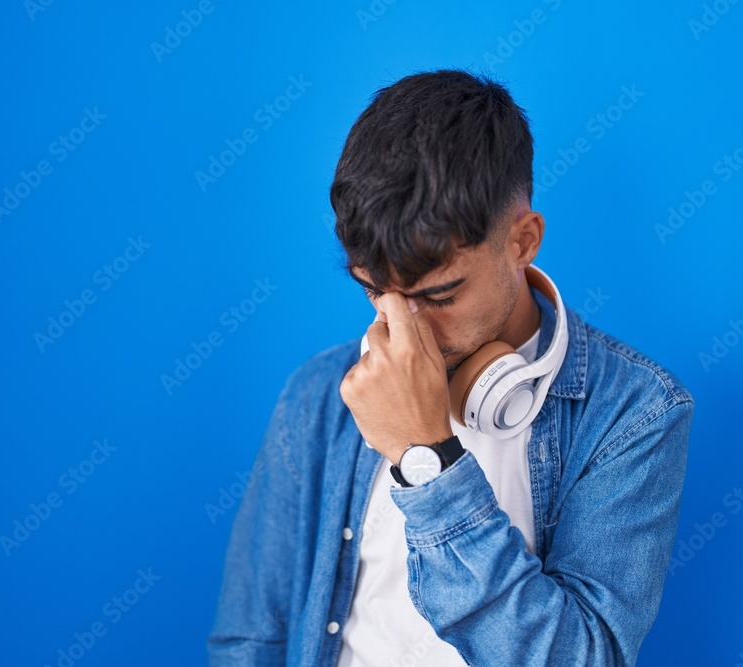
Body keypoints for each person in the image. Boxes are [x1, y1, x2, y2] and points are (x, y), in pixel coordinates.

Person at [206, 68, 694, 666]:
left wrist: (428, 461)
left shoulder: (635, 413)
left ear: (521, 241)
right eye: (374, 292)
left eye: (438, 297)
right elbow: (250, 639)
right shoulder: (319, 396)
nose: (407, 334)